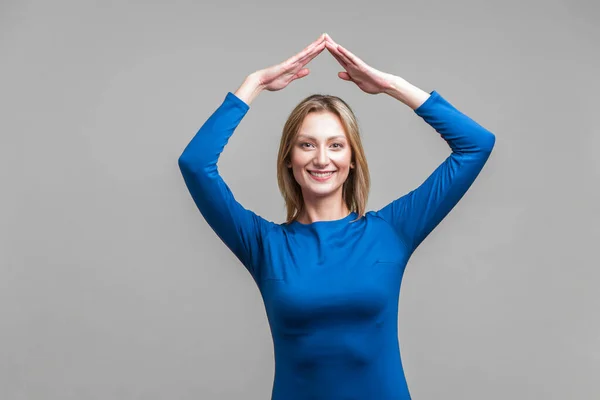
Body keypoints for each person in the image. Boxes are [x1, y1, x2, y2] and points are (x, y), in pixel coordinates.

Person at [178, 33, 495, 400]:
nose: (322, 159)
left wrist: (393, 86)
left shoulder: (391, 232)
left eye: (336, 145)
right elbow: (196, 164)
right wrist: (256, 84)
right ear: (289, 159)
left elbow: (476, 145)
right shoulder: (265, 245)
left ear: (353, 158)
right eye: (307, 144)